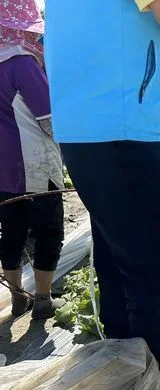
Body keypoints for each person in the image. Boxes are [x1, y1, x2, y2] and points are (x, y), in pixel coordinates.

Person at [44, 0, 160, 390]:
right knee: (158, 264)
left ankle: (123, 361)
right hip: (122, 134)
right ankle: (154, 373)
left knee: (116, 256)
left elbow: (113, 54)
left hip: (82, 135)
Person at [0, 0, 65, 319]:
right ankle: (42, 299)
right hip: (32, 164)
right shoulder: (20, 62)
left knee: (10, 232)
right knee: (48, 230)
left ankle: (17, 297)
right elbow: (48, 118)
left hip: (1, 169)